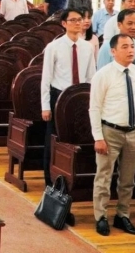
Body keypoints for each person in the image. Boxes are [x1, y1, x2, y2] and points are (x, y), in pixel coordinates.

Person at [89, 34, 135, 236]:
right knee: (104, 177)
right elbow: (94, 108)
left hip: (134, 131)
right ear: (113, 51)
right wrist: (98, 137)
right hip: (110, 132)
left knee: (128, 178)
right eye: (125, 46)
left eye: (132, 46)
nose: (130, 50)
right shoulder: (103, 75)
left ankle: (122, 215)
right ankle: (101, 216)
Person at [41, 10, 96, 184]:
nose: (78, 23)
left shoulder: (87, 47)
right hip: (59, 96)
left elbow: (91, 76)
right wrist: (45, 106)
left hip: (80, 98)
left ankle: (74, 182)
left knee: (77, 138)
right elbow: (46, 78)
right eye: (73, 20)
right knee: (54, 140)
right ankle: (50, 183)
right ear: (64, 24)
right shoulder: (53, 47)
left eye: (80, 20)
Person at [96, 10, 135, 79]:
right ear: (119, 25)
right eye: (130, 23)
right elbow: (100, 76)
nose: (134, 27)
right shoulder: (107, 47)